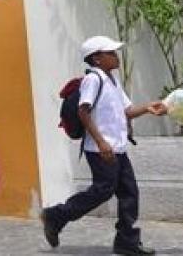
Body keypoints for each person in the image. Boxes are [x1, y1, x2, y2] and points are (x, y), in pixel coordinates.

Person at [41, 36, 167, 256]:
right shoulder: (93, 79)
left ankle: (127, 242)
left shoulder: (112, 80)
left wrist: (148, 108)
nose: (116, 56)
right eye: (110, 53)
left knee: (129, 193)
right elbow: (83, 111)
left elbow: (126, 111)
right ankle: (56, 215)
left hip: (118, 148)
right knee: (102, 191)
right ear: (97, 58)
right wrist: (101, 142)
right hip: (101, 149)